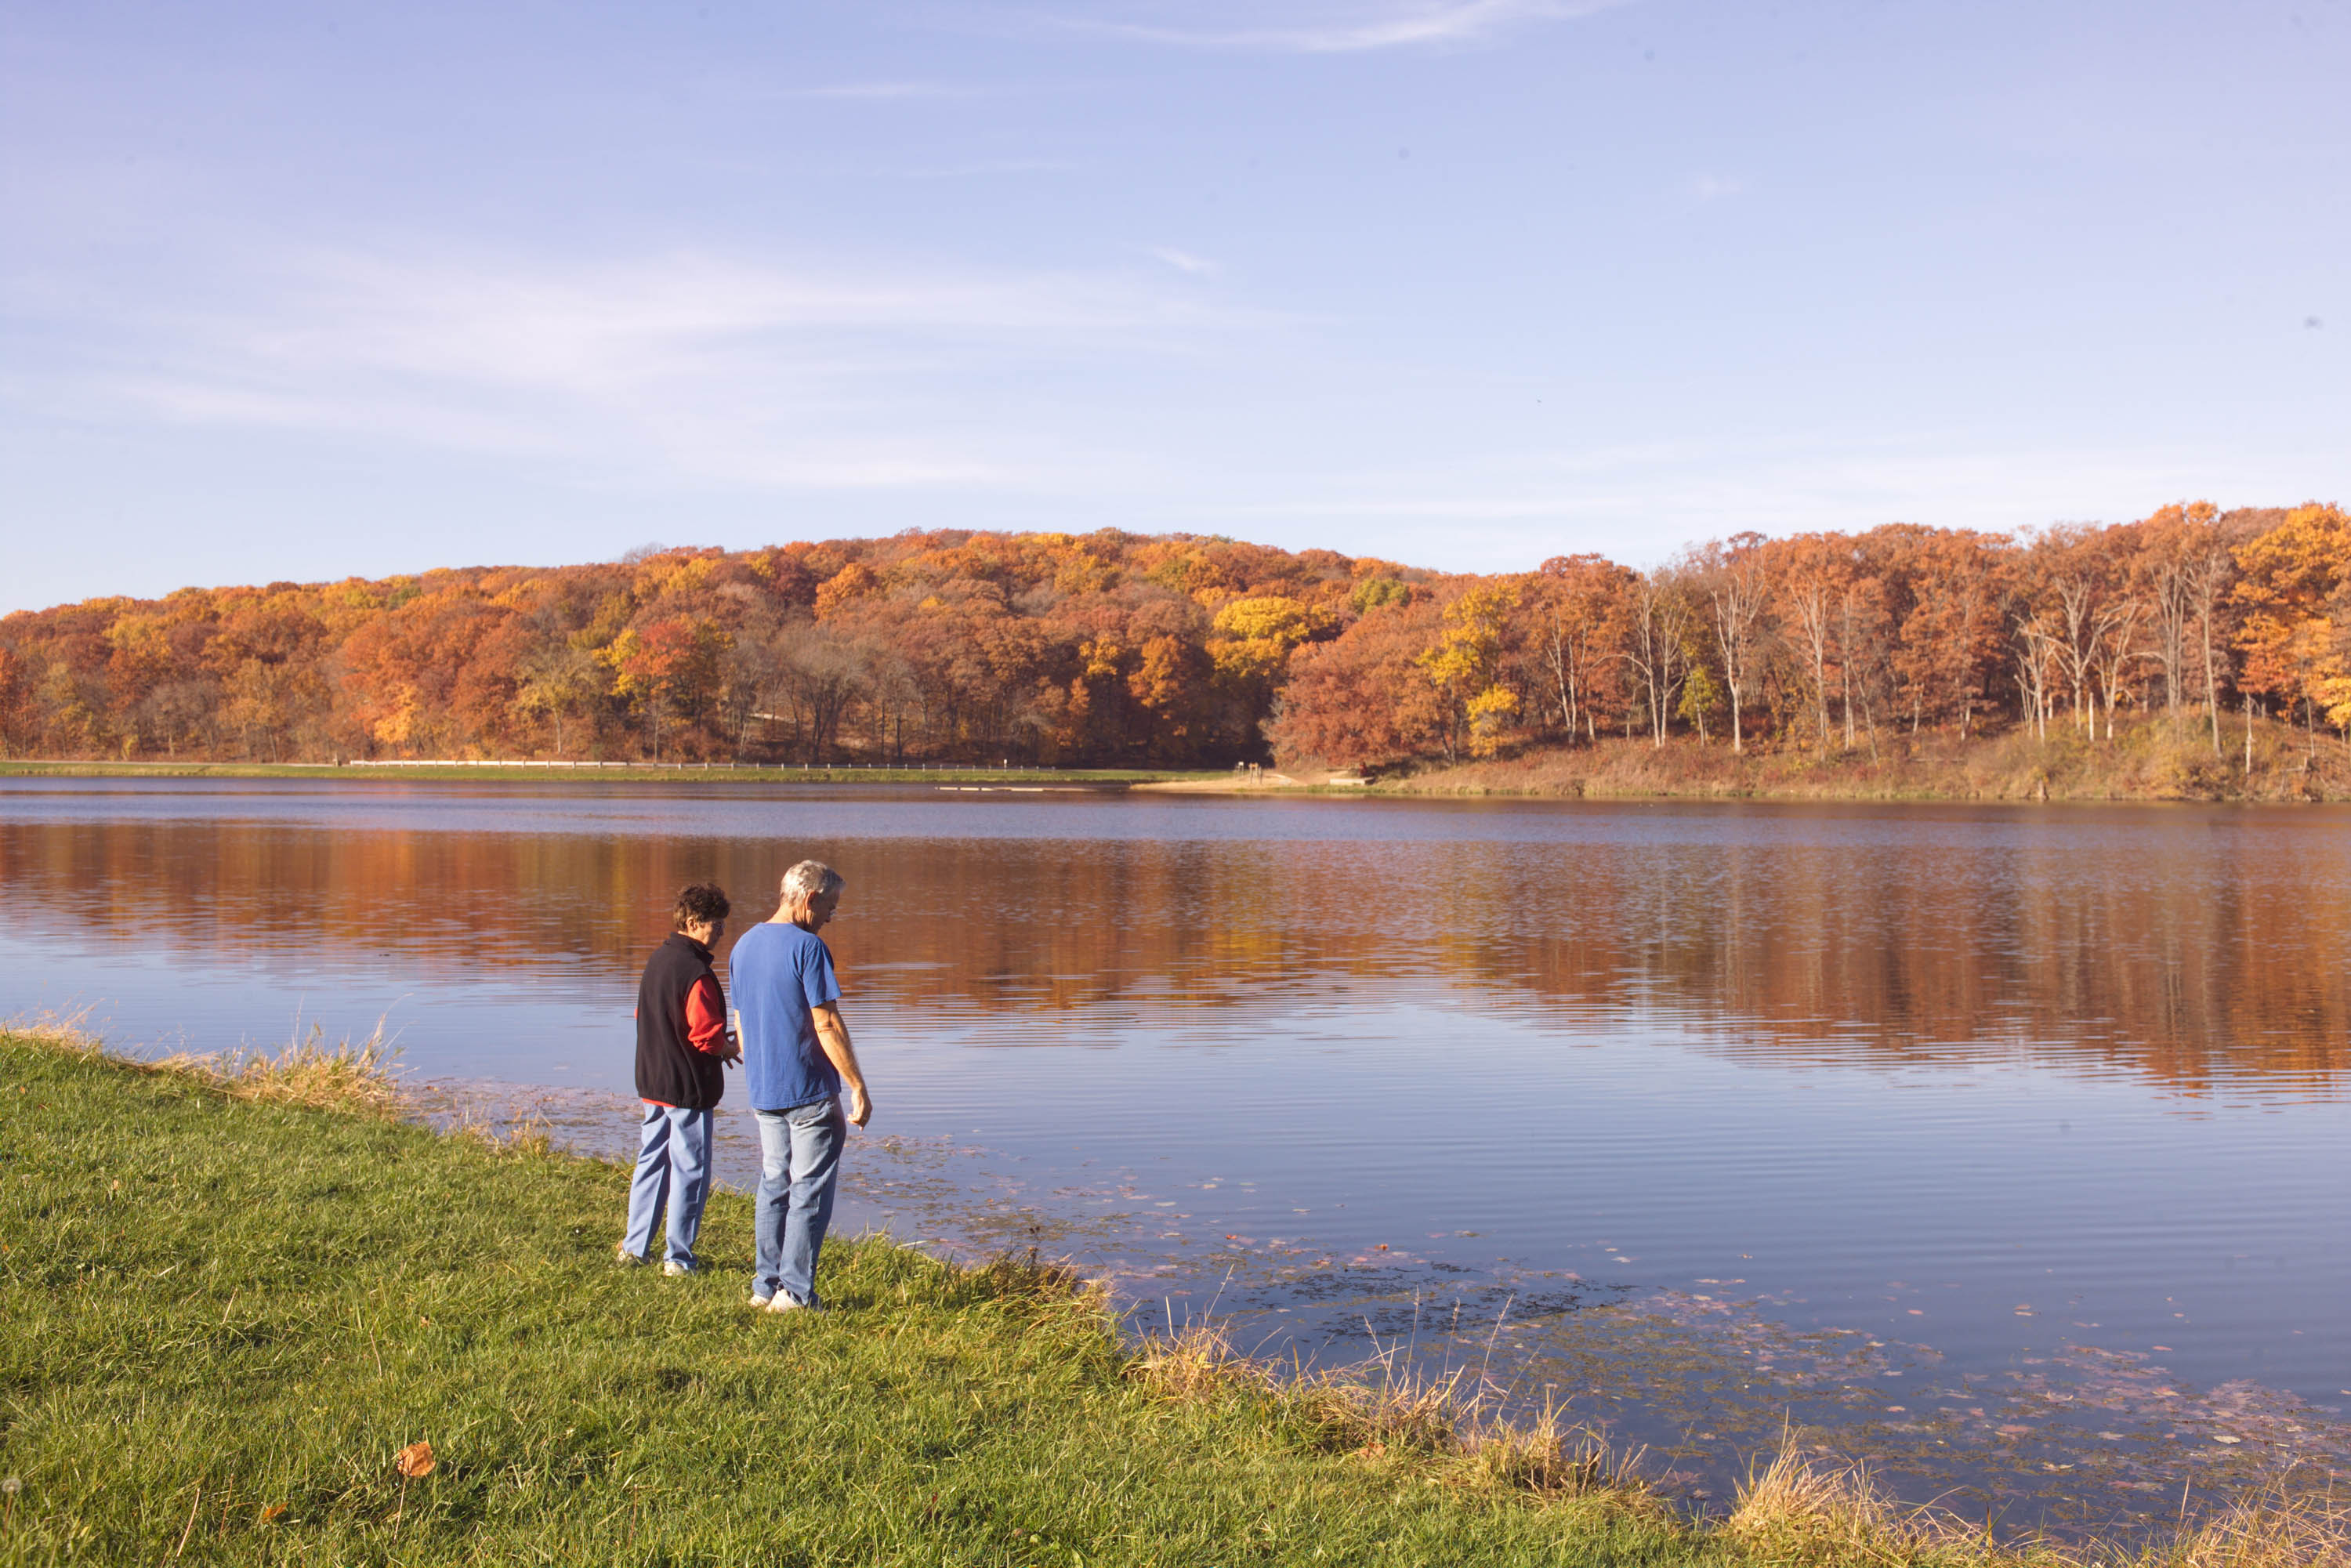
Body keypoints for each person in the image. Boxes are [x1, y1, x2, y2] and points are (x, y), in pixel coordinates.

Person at [729, 859, 871, 1312]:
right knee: (808, 1190)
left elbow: (741, 1020)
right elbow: (826, 1022)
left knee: (774, 1183)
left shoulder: (743, 945)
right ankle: (794, 1293)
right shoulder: (808, 948)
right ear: (809, 899)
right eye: (830, 906)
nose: (833, 915)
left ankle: (764, 1287)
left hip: (764, 1091)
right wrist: (857, 1086)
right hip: (808, 1092)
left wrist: (761, 1070)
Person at [618, 882, 738, 1276]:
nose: (720, 930)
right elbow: (704, 1034)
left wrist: (716, 1043)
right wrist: (728, 1049)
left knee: (651, 1161)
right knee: (691, 1170)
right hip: (686, 1087)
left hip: (652, 1081)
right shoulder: (697, 972)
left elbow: (645, 1017)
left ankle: (635, 1249)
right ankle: (679, 1259)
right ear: (691, 922)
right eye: (714, 924)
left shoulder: (657, 960)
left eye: (722, 923)